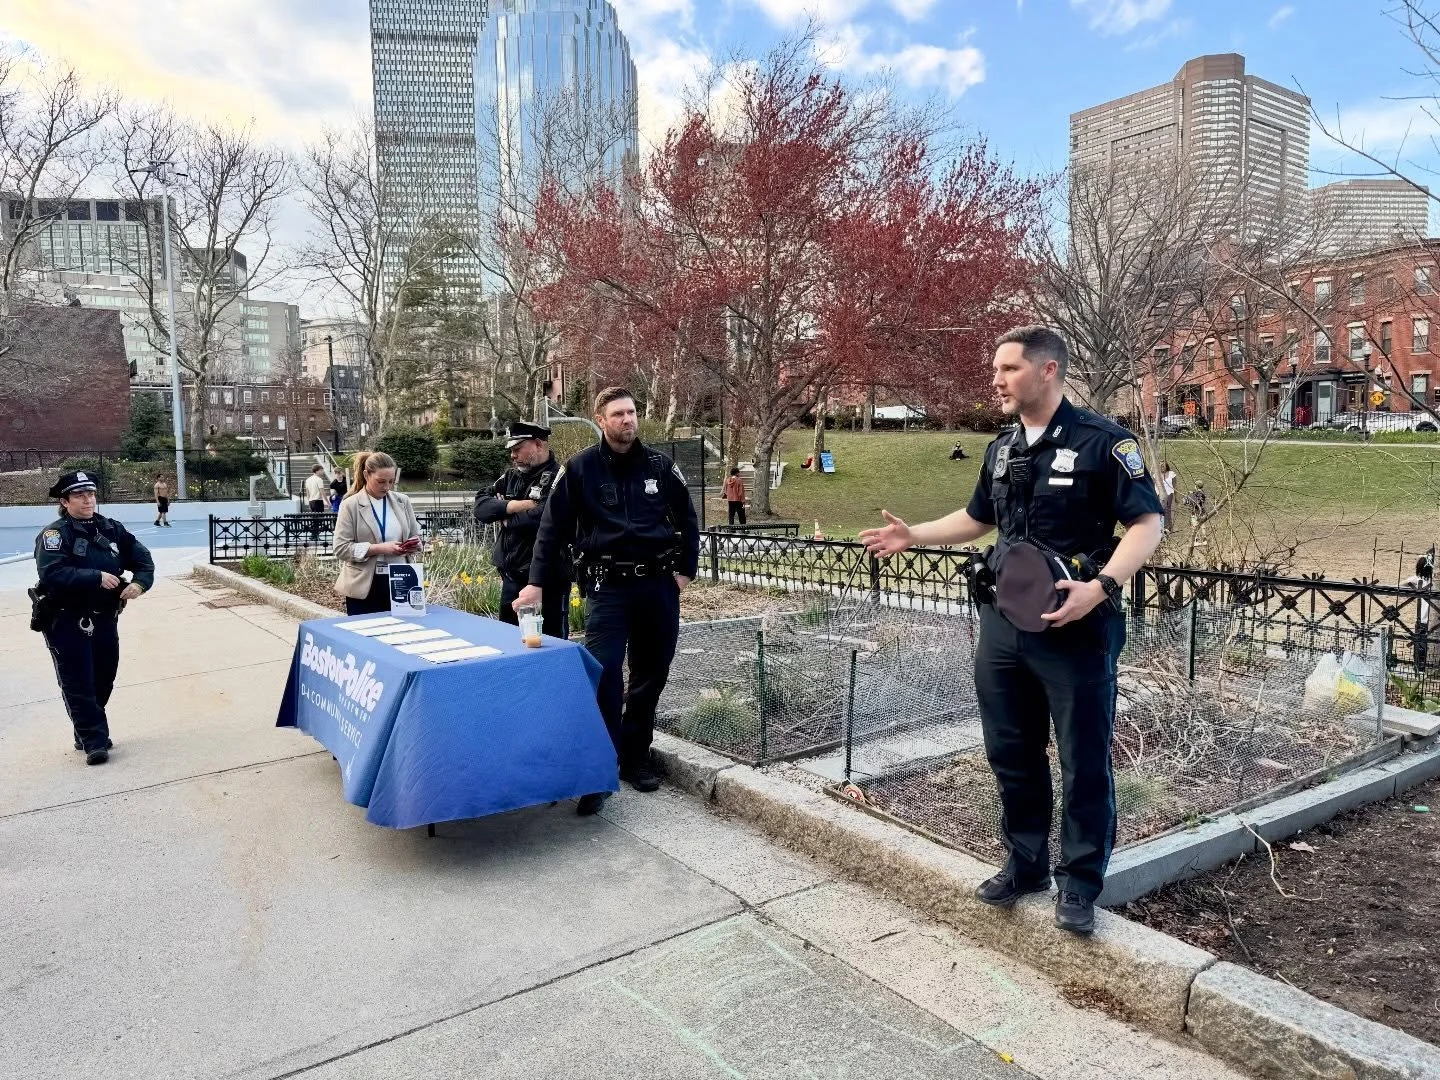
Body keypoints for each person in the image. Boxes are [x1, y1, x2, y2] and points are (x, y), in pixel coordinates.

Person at [861, 326, 1164, 935]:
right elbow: (978, 518)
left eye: (1008, 369)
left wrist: (1100, 588)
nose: (996, 379)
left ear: (1047, 371)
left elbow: (1148, 523)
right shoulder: (1001, 448)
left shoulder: (1104, 442)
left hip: (1074, 627)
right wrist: (912, 535)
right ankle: (1026, 864)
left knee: (1084, 761)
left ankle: (1079, 883)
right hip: (1004, 626)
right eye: (996, 369)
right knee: (1011, 752)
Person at [516, 387, 700, 815]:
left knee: (651, 674)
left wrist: (684, 571)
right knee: (604, 674)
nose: (627, 420)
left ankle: (635, 757)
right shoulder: (579, 469)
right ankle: (600, 769)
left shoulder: (660, 466)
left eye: (632, 412)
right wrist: (536, 583)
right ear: (600, 420)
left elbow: (688, 518)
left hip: (657, 587)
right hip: (608, 588)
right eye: (618, 414)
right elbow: (551, 529)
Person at [32, 470, 155, 765]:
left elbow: (142, 559)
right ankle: (93, 739)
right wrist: (95, 577)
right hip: (66, 618)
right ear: (65, 500)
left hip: (104, 617)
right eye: (79, 495)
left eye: (91, 494)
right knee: (79, 681)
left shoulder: (111, 529)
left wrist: (139, 583)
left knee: (104, 677)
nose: (88, 500)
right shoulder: (55, 534)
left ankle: (86, 728)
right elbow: (52, 573)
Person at [473, 421, 570, 638]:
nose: (513, 456)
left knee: (550, 642)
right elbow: (480, 506)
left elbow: (547, 516)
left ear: (537, 444)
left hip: (548, 579)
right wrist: (515, 506)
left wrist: (507, 520)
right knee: (510, 641)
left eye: (517, 449)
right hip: (512, 575)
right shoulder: (510, 477)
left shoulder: (560, 477)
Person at [332, 451, 423, 615]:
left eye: (391, 481)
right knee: (365, 637)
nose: (387, 487)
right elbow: (341, 548)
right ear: (366, 475)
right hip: (365, 585)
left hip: (401, 580)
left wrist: (413, 545)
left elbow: (416, 536)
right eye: (381, 481)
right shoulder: (350, 505)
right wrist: (379, 549)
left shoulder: (403, 501)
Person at [1401, 555, 1439, 671]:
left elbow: (1400, 584)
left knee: (1421, 644)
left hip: (1423, 618)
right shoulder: (1435, 581)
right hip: (1436, 619)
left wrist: (1414, 587)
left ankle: (1419, 667)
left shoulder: (1417, 580)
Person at [1160, 461, 1177, 534]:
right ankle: (1161, 528)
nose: (1162, 467)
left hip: (1169, 493)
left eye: (1163, 466)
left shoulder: (1171, 474)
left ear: (1166, 466)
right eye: (1160, 466)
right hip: (1160, 494)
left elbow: (1175, 486)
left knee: (1167, 509)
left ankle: (1168, 527)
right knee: (1160, 510)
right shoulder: (1156, 475)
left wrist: (1176, 497)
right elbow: (1154, 486)